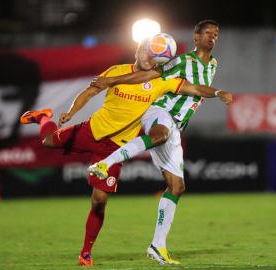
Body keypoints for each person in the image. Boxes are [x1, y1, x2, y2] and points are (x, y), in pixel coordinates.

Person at [19, 38, 232, 266]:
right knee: (47, 141)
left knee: (99, 201)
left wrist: (217, 92)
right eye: (149, 53)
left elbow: (195, 88)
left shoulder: (162, 81)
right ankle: (43, 117)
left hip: (114, 146)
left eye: (156, 57)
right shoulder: (116, 72)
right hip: (92, 130)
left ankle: (86, 253)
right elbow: (90, 91)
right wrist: (72, 112)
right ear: (139, 51)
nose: (151, 59)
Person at [88, 19, 221, 264]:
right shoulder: (181, 61)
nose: (213, 37)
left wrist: (218, 93)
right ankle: (106, 163)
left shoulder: (212, 65)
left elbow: (198, 91)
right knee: (161, 134)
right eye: (208, 33)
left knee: (177, 187)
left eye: (216, 33)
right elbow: (146, 75)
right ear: (196, 37)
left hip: (176, 124)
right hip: (159, 112)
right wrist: (111, 81)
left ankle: (157, 246)